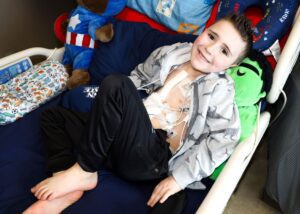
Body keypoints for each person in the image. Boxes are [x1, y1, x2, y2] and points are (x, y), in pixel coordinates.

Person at [24, 13, 253, 213]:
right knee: (54, 117)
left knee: (116, 83)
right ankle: (65, 181)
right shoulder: (172, 53)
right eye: (212, 36)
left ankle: (84, 169)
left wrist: (178, 179)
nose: (210, 49)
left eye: (224, 51)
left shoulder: (220, 89)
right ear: (204, 31)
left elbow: (225, 138)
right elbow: (139, 79)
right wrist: (111, 107)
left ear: (230, 66)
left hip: (151, 155)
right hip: (121, 139)